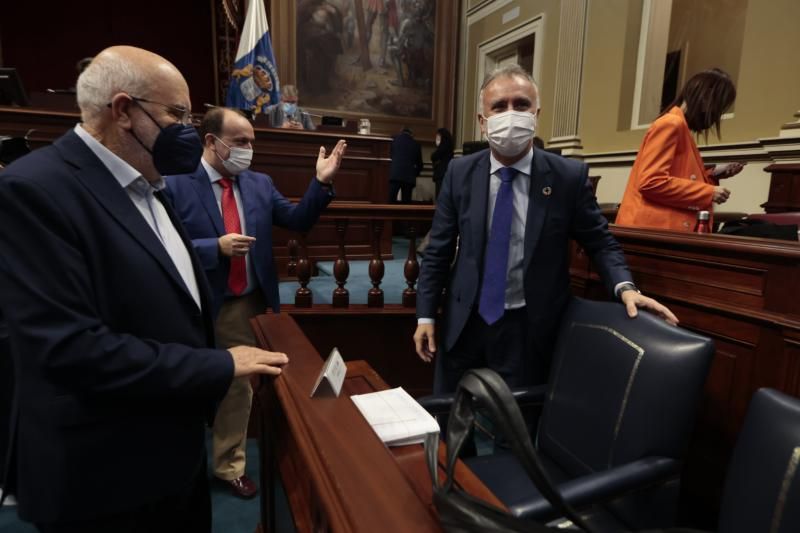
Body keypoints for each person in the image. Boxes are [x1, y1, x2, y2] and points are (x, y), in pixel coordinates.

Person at [0, 45, 289, 532]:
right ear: (123, 111)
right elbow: (68, 348)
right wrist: (217, 363)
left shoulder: (151, 183)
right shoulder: (36, 190)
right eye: (177, 113)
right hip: (106, 474)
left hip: (172, 453)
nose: (188, 129)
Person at [414, 65, 677, 395]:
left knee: (517, 427)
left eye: (521, 105)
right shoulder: (459, 172)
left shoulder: (568, 176)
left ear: (536, 114)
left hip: (528, 327)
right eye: (499, 106)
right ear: (482, 122)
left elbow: (600, 242)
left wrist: (625, 287)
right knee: (451, 419)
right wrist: (425, 316)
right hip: (464, 321)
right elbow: (438, 248)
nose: (511, 114)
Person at [164, 107, 345, 499]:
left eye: (251, 142)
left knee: (243, 384)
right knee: (213, 383)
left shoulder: (259, 183)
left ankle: (233, 460)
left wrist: (320, 182)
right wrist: (215, 247)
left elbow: (297, 220)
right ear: (211, 142)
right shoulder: (176, 185)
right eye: (240, 141)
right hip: (204, 303)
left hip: (251, 300)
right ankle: (205, 463)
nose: (248, 149)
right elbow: (163, 248)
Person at [616, 68, 744, 231]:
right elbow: (651, 182)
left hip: (657, 230)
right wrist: (707, 192)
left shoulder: (679, 126)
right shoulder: (671, 124)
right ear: (705, 99)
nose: (716, 116)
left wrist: (714, 174)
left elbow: (676, 175)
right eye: (718, 108)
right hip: (653, 232)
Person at [389, 127, 423, 203]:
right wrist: (415, 173)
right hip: (409, 177)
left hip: (394, 174)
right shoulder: (416, 144)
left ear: (401, 132)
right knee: (406, 203)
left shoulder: (393, 140)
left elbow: (389, 156)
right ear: (411, 134)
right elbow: (420, 165)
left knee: (391, 200)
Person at [430, 127, 454, 200]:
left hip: (441, 174)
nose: (436, 139)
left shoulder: (443, 146)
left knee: (440, 197)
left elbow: (433, 156)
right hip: (446, 174)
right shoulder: (449, 146)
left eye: (438, 136)